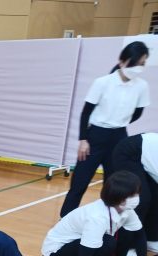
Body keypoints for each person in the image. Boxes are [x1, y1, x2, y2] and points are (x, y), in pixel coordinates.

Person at [59, 41, 150, 217]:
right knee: (79, 182)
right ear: (122, 61)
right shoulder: (102, 82)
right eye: (135, 63)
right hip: (95, 136)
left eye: (143, 63)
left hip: (120, 137)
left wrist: (119, 120)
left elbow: (138, 112)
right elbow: (86, 112)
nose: (139, 67)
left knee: (114, 184)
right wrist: (83, 139)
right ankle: (65, 219)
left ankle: (109, 221)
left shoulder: (141, 86)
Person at [43, 171, 147, 256]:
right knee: (108, 242)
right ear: (120, 197)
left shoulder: (125, 209)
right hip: (56, 255)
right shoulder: (97, 217)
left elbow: (139, 235)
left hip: (76, 247)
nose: (137, 197)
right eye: (133, 194)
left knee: (120, 237)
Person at [110, 132, 158, 256]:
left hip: (146, 157)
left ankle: (151, 239)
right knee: (140, 200)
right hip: (129, 152)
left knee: (155, 199)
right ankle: (124, 248)